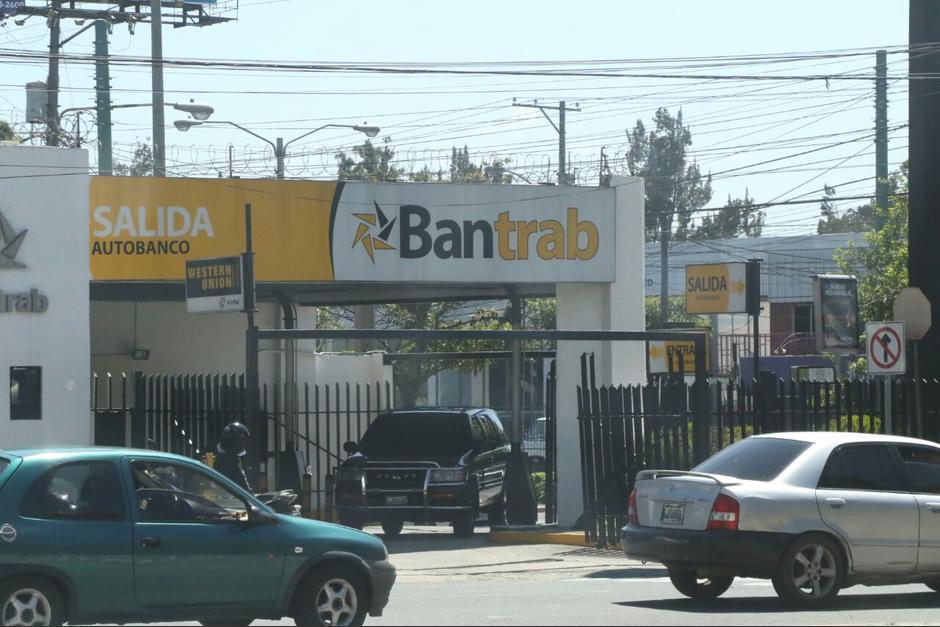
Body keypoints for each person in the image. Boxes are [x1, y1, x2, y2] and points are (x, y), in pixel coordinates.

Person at [214, 422, 252, 493]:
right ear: (235, 442)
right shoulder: (231, 460)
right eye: (242, 442)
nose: (243, 446)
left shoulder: (214, 451)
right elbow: (243, 487)